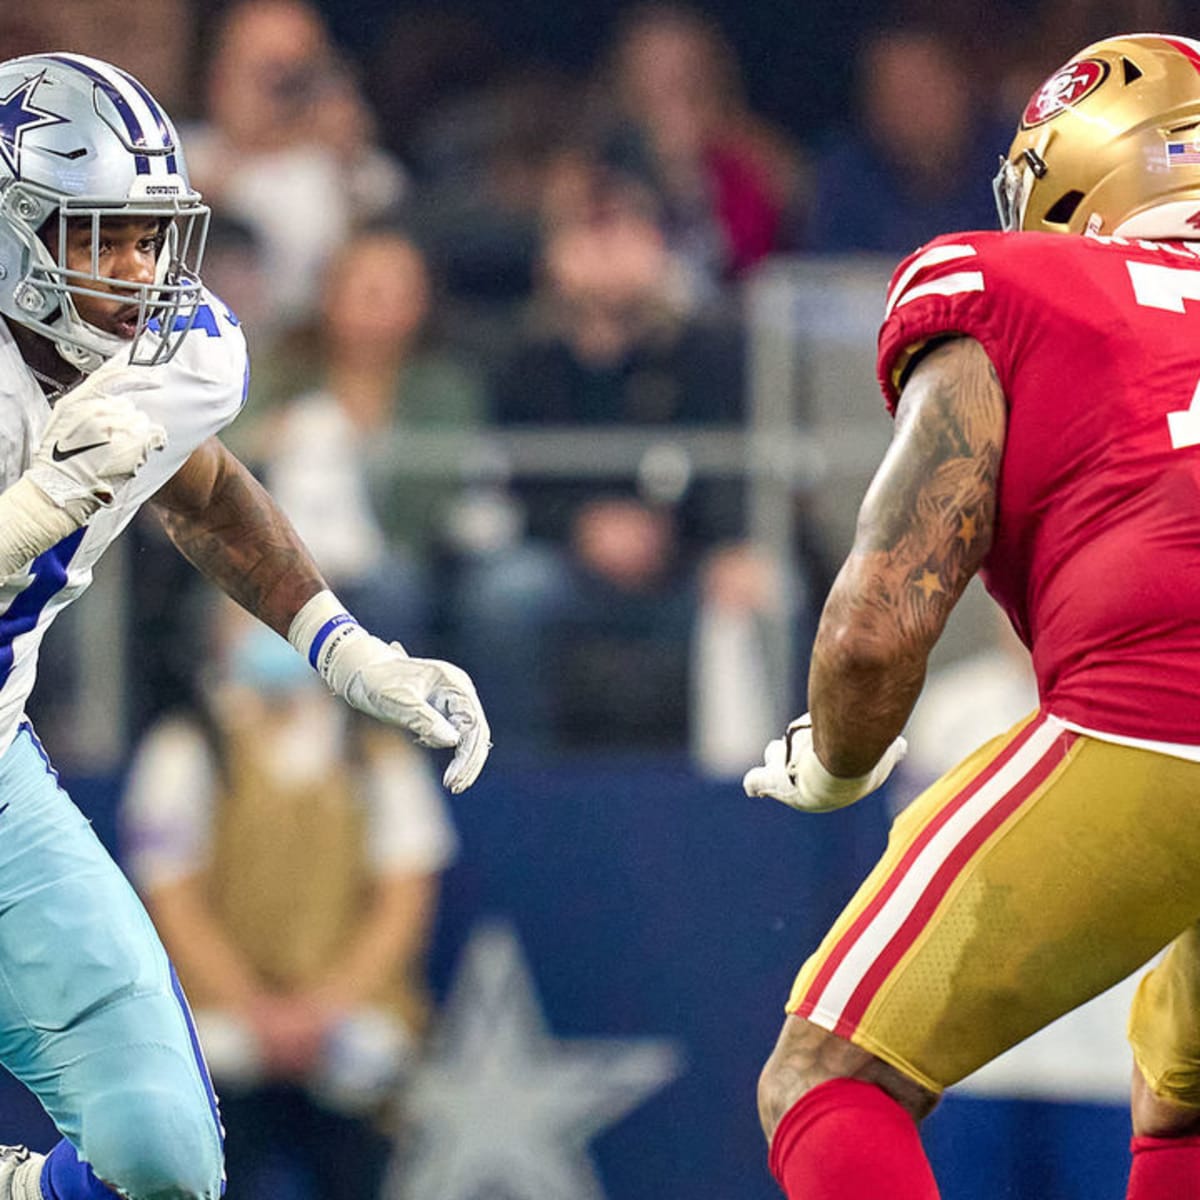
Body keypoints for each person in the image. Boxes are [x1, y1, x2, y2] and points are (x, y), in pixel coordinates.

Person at [0, 50, 489, 1200]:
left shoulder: (179, 352)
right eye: (93, 236)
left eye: (145, 235)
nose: (133, 272)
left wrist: (338, 643)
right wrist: (32, 512)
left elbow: (203, 484)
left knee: (163, 1160)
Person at [742, 33, 1200, 1200]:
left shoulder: (1023, 282)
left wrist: (840, 763)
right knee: (1183, 1083)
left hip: (1160, 720)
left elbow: (878, 624)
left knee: (825, 1076)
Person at [121, 601, 459, 1200]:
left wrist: (323, 1007)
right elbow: (171, 903)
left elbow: (404, 903)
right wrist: (255, 1008)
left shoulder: (375, 753)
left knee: (365, 1072)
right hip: (225, 1013)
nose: (270, 638)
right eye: (251, 622)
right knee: (201, 1085)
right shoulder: (186, 748)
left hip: (346, 1015)